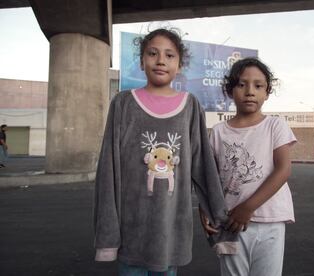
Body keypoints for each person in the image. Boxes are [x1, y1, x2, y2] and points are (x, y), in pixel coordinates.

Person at [94, 28, 237, 276]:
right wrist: (107, 233)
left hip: (171, 233)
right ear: (141, 61)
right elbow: (108, 170)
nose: (161, 60)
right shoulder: (123, 103)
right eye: (152, 53)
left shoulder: (190, 105)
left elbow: (203, 166)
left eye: (170, 55)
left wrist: (218, 218)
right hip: (131, 231)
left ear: (180, 65)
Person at [201, 57, 297, 276]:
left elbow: (283, 170)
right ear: (230, 90)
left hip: (270, 221)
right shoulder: (218, 131)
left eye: (258, 85)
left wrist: (248, 207)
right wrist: (204, 207)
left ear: (267, 91)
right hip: (231, 224)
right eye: (242, 84)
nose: (250, 91)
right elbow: (211, 178)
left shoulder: (275, 125)